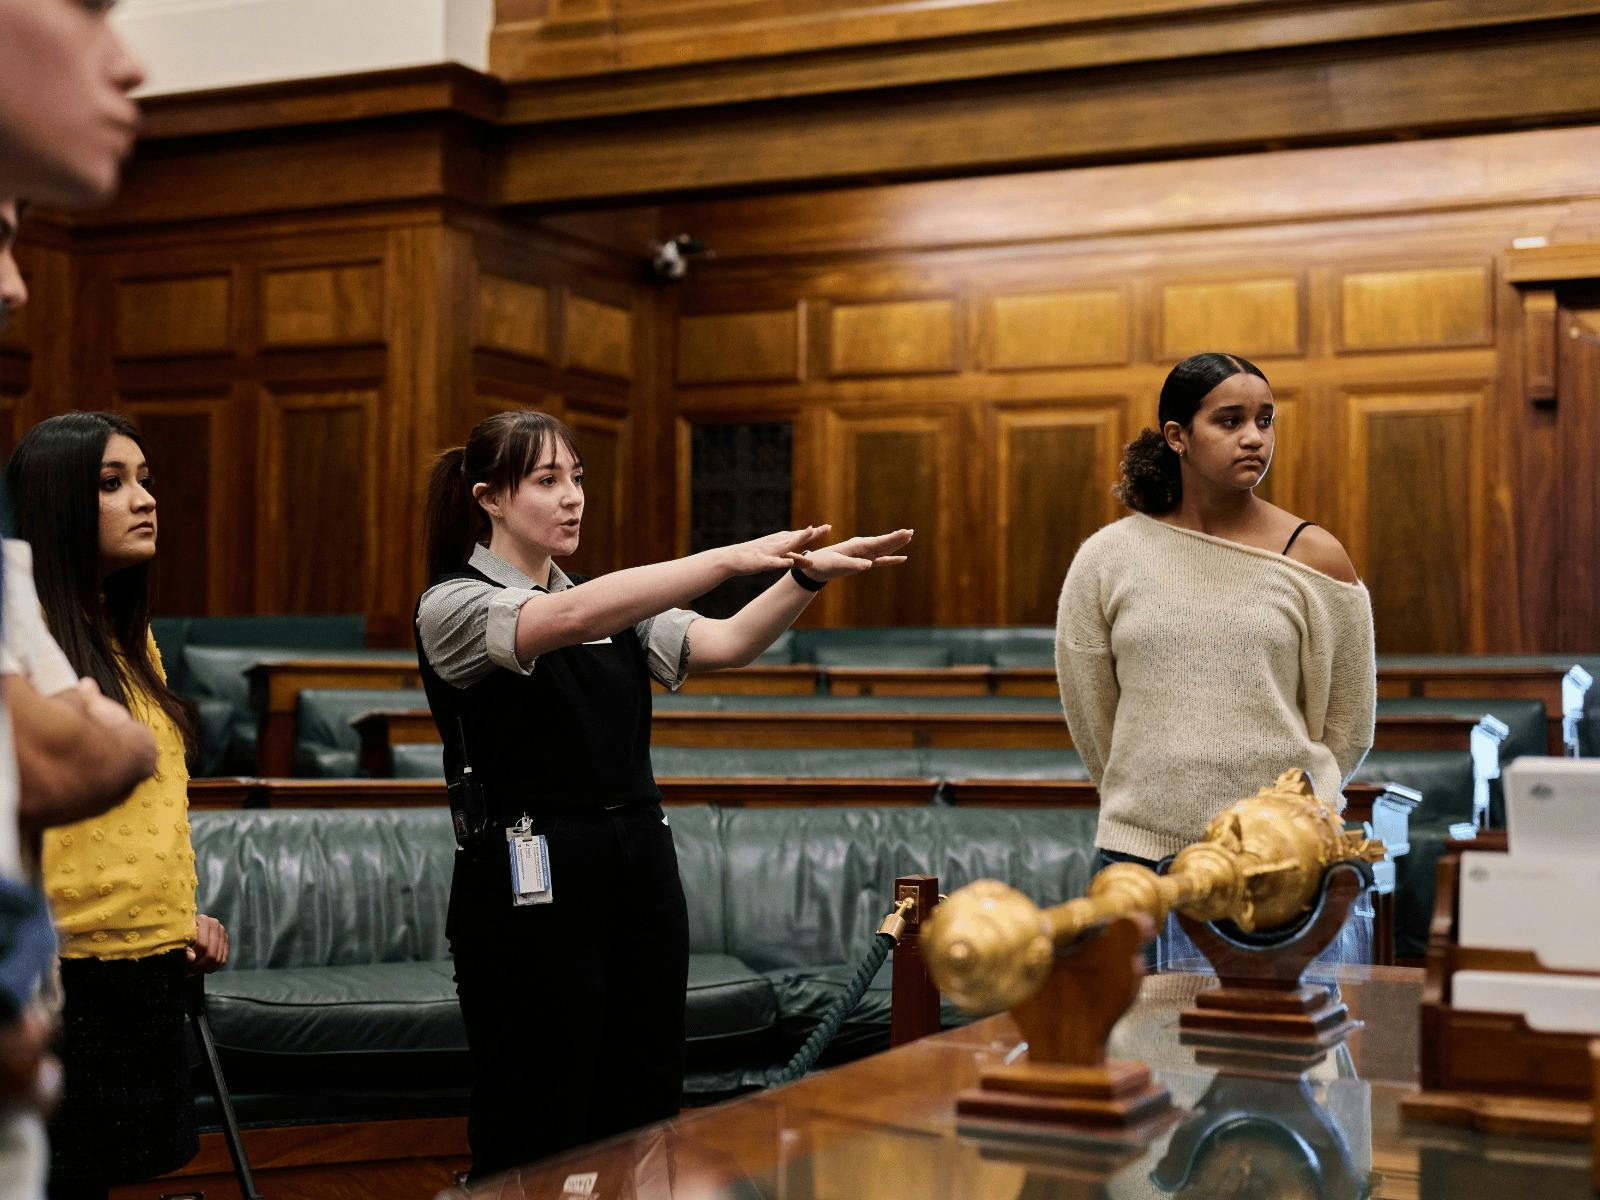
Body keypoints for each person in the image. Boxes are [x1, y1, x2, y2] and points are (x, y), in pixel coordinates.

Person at [416, 409, 912, 1178]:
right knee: (537, 1104)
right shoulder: (453, 604)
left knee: (643, 1097)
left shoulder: (614, 604)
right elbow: (565, 617)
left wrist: (803, 575)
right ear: (489, 498)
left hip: (639, 866)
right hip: (529, 878)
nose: (573, 497)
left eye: (577, 477)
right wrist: (725, 558)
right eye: (548, 481)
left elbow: (731, 641)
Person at [1055, 352, 1376, 962]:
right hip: (1140, 862)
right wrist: (1153, 800)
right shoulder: (1108, 557)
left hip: (1282, 868)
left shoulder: (1315, 557)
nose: (1255, 438)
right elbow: (1093, 717)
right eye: (1229, 421)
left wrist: (1281, 825)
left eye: (1265, 419)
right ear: (1178, 436)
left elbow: (1347, 726)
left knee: (1284, 1056)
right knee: (1138, 1054)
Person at [7, 412, 229, 1199]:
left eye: (145, 480)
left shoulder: (133, 639)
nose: (144, 499)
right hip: (54, 973)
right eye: (112, 484)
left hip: (147, 970)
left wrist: (183, 915)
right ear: (55, 503)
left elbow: (157, 809)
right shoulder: (16, 648)